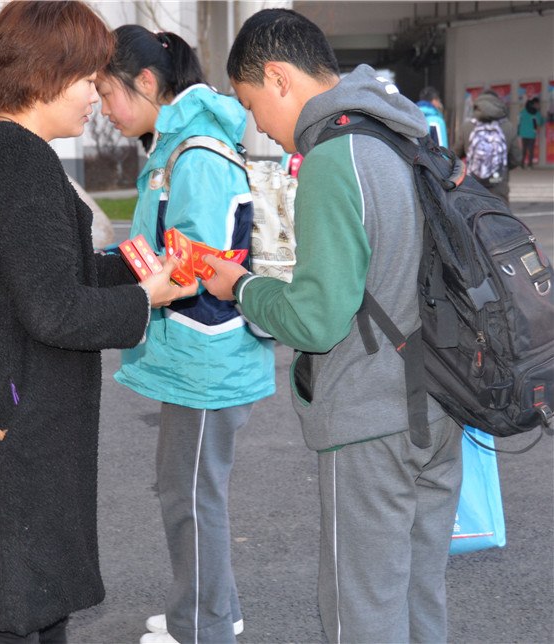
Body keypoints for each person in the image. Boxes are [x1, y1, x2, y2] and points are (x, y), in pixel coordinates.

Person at [0, 3, 197, 643]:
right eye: (86, 79)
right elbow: (55, 310)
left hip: (2, 418)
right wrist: (149, 298)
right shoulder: (19, 164)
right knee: (20, 610)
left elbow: (42, 275)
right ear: (47, 76)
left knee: (30, 605)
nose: (93, 97)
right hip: (18, 432)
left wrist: (134, 267)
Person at [202, 9, 463, 644]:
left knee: (362, 615)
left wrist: (241, 286)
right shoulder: (405, 136)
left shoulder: (333, 157)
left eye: (252, 104)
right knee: (420, 599)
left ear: (278, 77)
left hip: (371, 422)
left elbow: (316, 320)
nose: (259, 125)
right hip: (442, 405)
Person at [96, 25, 275, 644]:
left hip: (205, 358)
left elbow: (199, 265)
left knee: (190, 496)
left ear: (146, 82)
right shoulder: (181, 144)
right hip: (203, 353)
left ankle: (201, 626)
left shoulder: (194, 153)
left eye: (107, 92)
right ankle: (213, 610)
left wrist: (130, 285)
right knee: (192, 491)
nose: (103, 108)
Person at [454, 89, 522, 203]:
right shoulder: (508, 127)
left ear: (478, 105)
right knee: (500, 212)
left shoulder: (467, 126)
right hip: (498, 187)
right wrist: (501, 166)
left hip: (473, 187)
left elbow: (455, 155)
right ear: (499, 104)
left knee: (474, 212)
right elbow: (516, 159)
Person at [517, 97, 545, 168]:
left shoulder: (523, 112)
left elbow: (519, 121)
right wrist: (544, 118)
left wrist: (519, 131)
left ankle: (522, 164)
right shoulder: (536, 113)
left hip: (523, 133)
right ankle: (530, 165)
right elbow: (539, 123)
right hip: (532, 134)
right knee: (531, 149)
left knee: (524, 149)